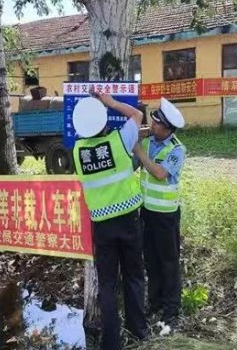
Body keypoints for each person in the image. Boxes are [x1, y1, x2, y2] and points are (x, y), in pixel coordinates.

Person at [72, 93, 148, 350]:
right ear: (104, 119)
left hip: (102, 225)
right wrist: (112, 102)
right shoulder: (121, 140)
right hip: (128, 220)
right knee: (134, 275)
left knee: (107, 284)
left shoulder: (78, 151)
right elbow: (137, 115)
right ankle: (138, 331)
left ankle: (111, 342)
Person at [133, 97, 186, 325]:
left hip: (166, 216)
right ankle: (155, 302)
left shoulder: (177, 150)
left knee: (169, 261)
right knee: (151, 260)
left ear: (168, 129)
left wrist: (138, 149)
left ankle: (171, 308)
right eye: (152, 122)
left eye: (156, 124)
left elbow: (159, 173)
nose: (152, 126)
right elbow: (132, 166)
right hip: (146, 213)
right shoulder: (147, 143)